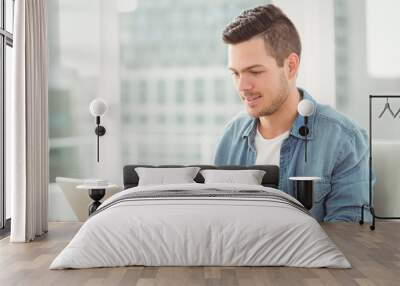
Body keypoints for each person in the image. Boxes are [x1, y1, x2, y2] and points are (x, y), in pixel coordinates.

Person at [214, 4, 370, 222]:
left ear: (290, 66)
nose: (243, 86)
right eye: (236, 73)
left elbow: (351, 232)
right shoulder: (230, 137)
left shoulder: (343, 139)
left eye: (255, 71)